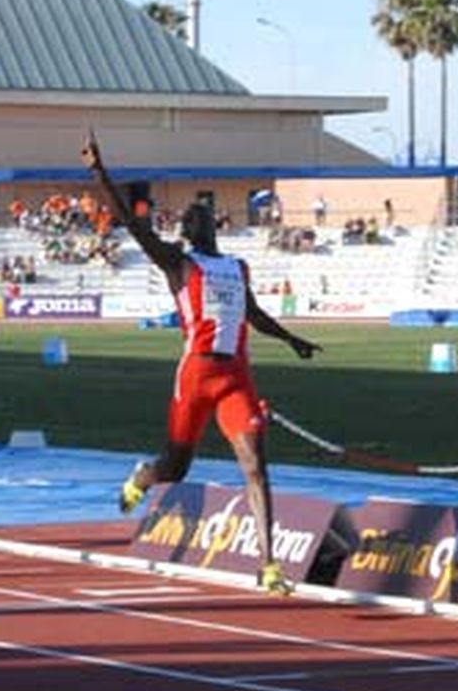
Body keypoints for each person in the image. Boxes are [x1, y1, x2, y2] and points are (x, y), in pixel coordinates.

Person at [82, 134, 322, 596]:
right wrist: (100, 173)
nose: (200, 217)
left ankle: (269, 564)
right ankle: (142, 477)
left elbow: (253, 313)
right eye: (192, 217)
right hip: (195, 375)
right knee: (174, 469)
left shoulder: (237, 266)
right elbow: (135, 230)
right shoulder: (178, 263)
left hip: (235, 377)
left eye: (204, 213)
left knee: (255, 466)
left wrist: (293, 340)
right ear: (187, 232)